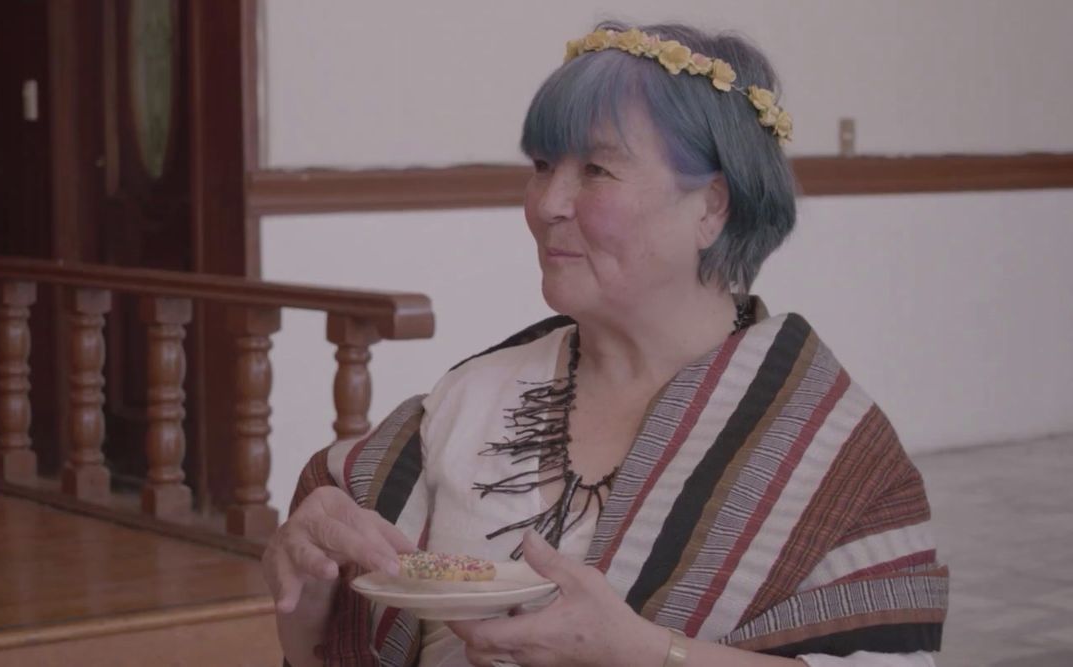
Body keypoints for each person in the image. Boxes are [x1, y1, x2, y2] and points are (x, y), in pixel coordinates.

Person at [265, 21, 947, 667]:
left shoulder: (827, 447)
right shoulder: (465, 402)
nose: (547, 203)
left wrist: (643, 651)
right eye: (541, 164)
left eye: (595, 169)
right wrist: (311, 587)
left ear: (712, 206)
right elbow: (319, 650)